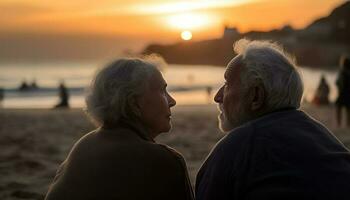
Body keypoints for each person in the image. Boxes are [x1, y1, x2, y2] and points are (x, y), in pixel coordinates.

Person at [196, 39, 350, 200]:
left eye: (227, 84)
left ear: (256, 96)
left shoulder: (237, 148)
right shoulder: (325, 139)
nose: (217, 97)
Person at [45, 58, 194, 200]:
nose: (172, 101)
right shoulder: (167, 161)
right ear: (134, 103)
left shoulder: (83, 146)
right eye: (162, 91)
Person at [335, 56, 350, 127]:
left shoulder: (342, 72)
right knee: (348, 110)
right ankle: (348, 124)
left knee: (339, 108)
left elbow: (337, 82)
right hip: (348, 94)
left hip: (342, 93)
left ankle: (339, 123)